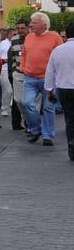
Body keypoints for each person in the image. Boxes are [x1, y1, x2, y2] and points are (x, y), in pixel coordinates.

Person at [21, 11, 65, 146]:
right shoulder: (28, 37)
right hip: (30, 77)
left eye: (34, 22)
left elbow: (60, 56)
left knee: (48, 108)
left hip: (48, 79)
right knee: (27, 103)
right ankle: (35, 130)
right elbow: (24, 54)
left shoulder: (55, 37)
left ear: (44, 24)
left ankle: (48, 135)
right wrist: (23, 67)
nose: (30, 25)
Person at [43, 22, 74, 162]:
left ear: (66, 35)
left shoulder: (58, 50)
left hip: (64, 88)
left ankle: (71, 146)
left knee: (70, 119)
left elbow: (50, 71)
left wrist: (49, 89)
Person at [8, 20, 29, 129]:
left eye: (22, 28)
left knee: (28, 101)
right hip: (18, 74)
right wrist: (12, 72)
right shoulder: (14, 40)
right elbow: (11, 58)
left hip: (30, 75)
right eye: (18, 28)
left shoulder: (32, 39)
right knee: (18, 100)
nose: (20, 31)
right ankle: (17, 123)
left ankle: (28, 123)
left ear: (28, 28)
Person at [0, 27, 13, 118]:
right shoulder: (2, 44)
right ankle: (5, 108)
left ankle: (14, 108)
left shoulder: (16, 43)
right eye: (13, 34)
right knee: (8, 90)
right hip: (4, 69)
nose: (15, 36)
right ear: (9, 34)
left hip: (15, 69)